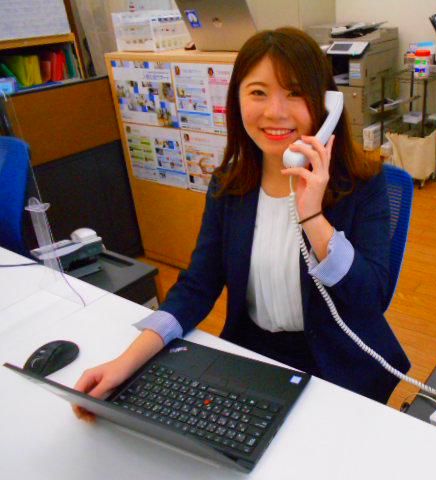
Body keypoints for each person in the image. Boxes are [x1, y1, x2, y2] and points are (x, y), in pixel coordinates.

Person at [73, 27, 410, 420]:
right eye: (258, 92)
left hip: (339, 366)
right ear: (237, 100)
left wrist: (313, 217)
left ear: (326, 104)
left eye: (295, 93)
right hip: (253, 359)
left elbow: (370, 300)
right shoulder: (229, 186)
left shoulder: (364, 185)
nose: (275, 112)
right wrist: (125, 363)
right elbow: (197, 286)